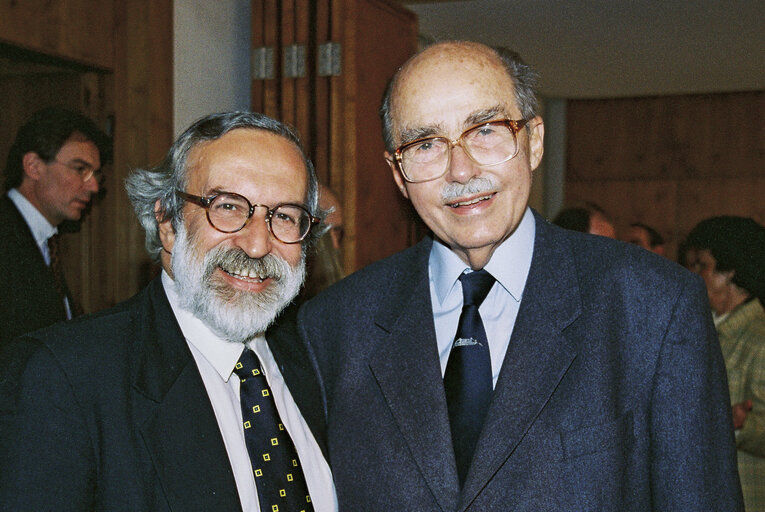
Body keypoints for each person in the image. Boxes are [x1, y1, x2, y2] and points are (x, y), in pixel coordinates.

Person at [297, 41, 742, 511]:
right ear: (398, 174)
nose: (462, 169)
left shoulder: (652, 306)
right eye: (426, 144)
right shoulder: (336, 326)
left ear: (533, 141)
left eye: (485, 130)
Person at [0, 112, 337, 511]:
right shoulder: (66, 376)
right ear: (168, 223)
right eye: (227, 206)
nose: (257, 244)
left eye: (283, 215)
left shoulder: (322, 361)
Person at [0, 107, 111, 345]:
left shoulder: (46, 242)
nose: (93, 187)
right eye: (80, 169)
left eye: (95, 175)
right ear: (33, 166)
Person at [684, 216, 765, 511]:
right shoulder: (700, 330)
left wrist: (741, 426)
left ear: (730, 271)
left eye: (701, 265)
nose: (692, 274)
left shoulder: (759, 339)